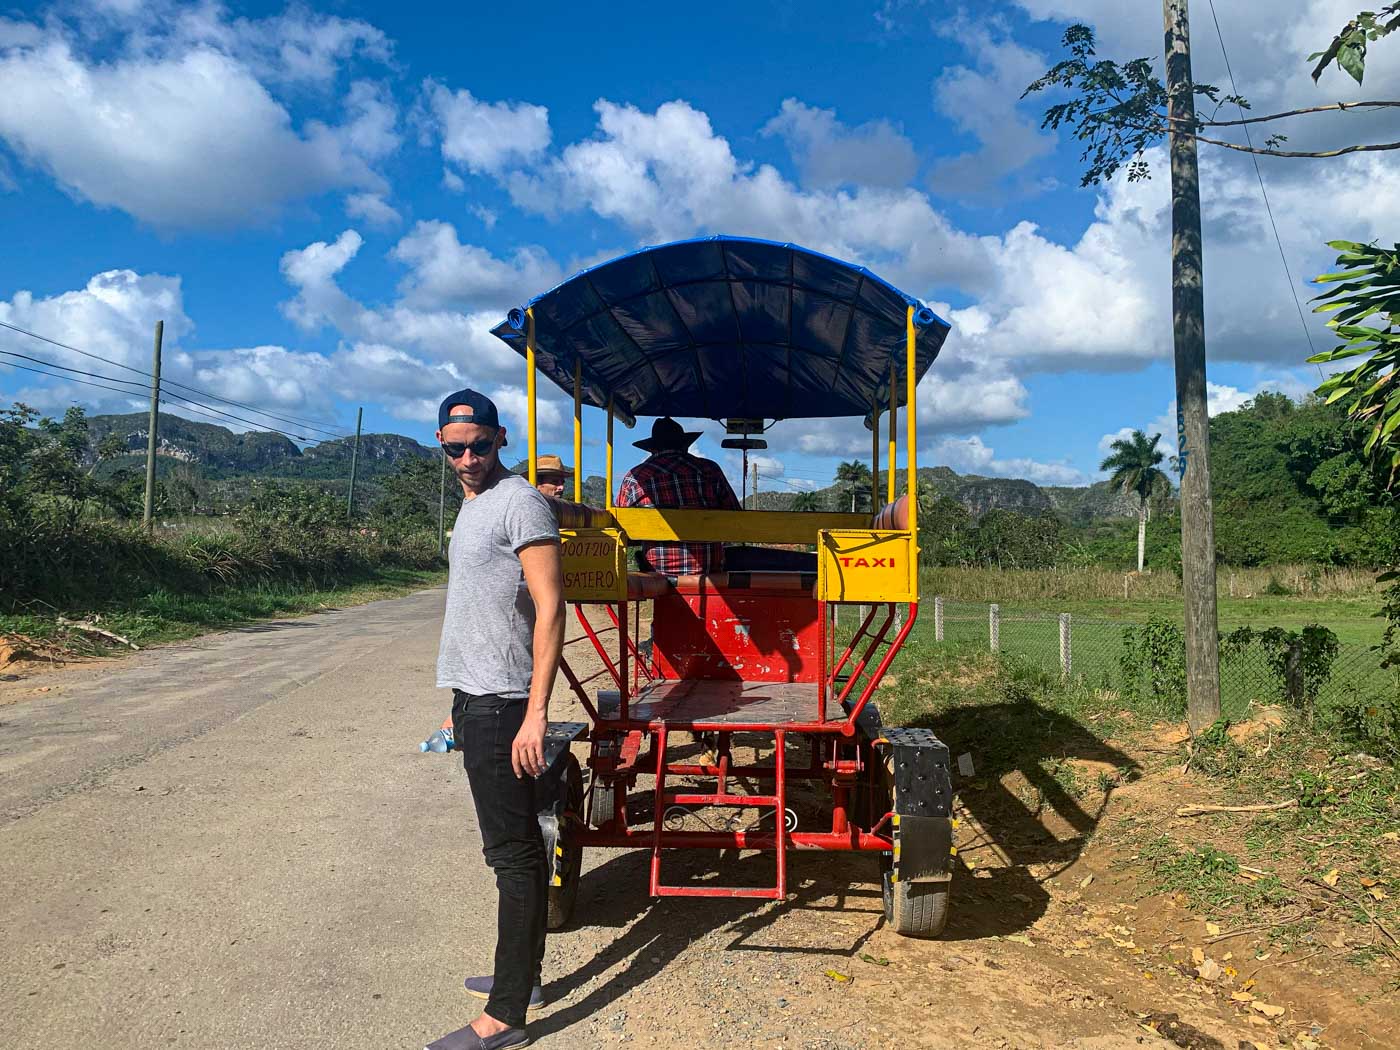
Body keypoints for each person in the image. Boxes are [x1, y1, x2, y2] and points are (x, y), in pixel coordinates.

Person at [431, 388, 564, 1050]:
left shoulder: (520, 502)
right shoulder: (476, 504)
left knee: (511, 855)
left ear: (500, 439)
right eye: (455, 448)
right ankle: (523, 976)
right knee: (512, 852)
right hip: (474, 698)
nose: (468, 458)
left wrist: (535, 714)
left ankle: (507, 1013)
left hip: (506, 702)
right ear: (442, 444)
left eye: (480, 446)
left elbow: (550, 607)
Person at [616, 417, 740, 575]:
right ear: (684, 446)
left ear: (653, 449)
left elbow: (620, 525)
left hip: (657, 573)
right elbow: (735, 517)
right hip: (709, 570)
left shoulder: (635, 477)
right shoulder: (709, 470)